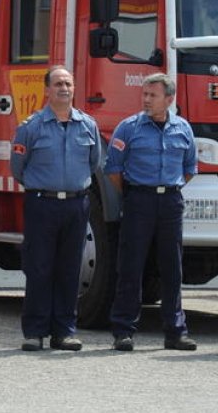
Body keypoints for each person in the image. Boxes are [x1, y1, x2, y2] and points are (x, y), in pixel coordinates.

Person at [105, 73, 198, 352]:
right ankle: (123, 331)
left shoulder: (183, 128)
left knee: (172, 268)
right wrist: (135, 194)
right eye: (144, 94)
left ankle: (175, 332)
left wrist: (166, 189)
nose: (146, 99)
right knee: (131, 267)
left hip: (170, 202)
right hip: (139, 201)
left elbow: (189, 169)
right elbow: (113, 170)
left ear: (169, 99)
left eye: (152, 95)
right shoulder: (128, 127)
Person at [10, 66, 99, 352]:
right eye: (58, 84)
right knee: (39, 268)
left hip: (76, 203)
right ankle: (34, 332)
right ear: (47, 90)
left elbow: (95, 163)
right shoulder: (30, 127)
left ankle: (64, 331)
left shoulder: (88, 125)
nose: (64, 88)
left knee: (70, 269)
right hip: (42, 203)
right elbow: (18, 169)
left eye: (68, 84)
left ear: (74, 89)